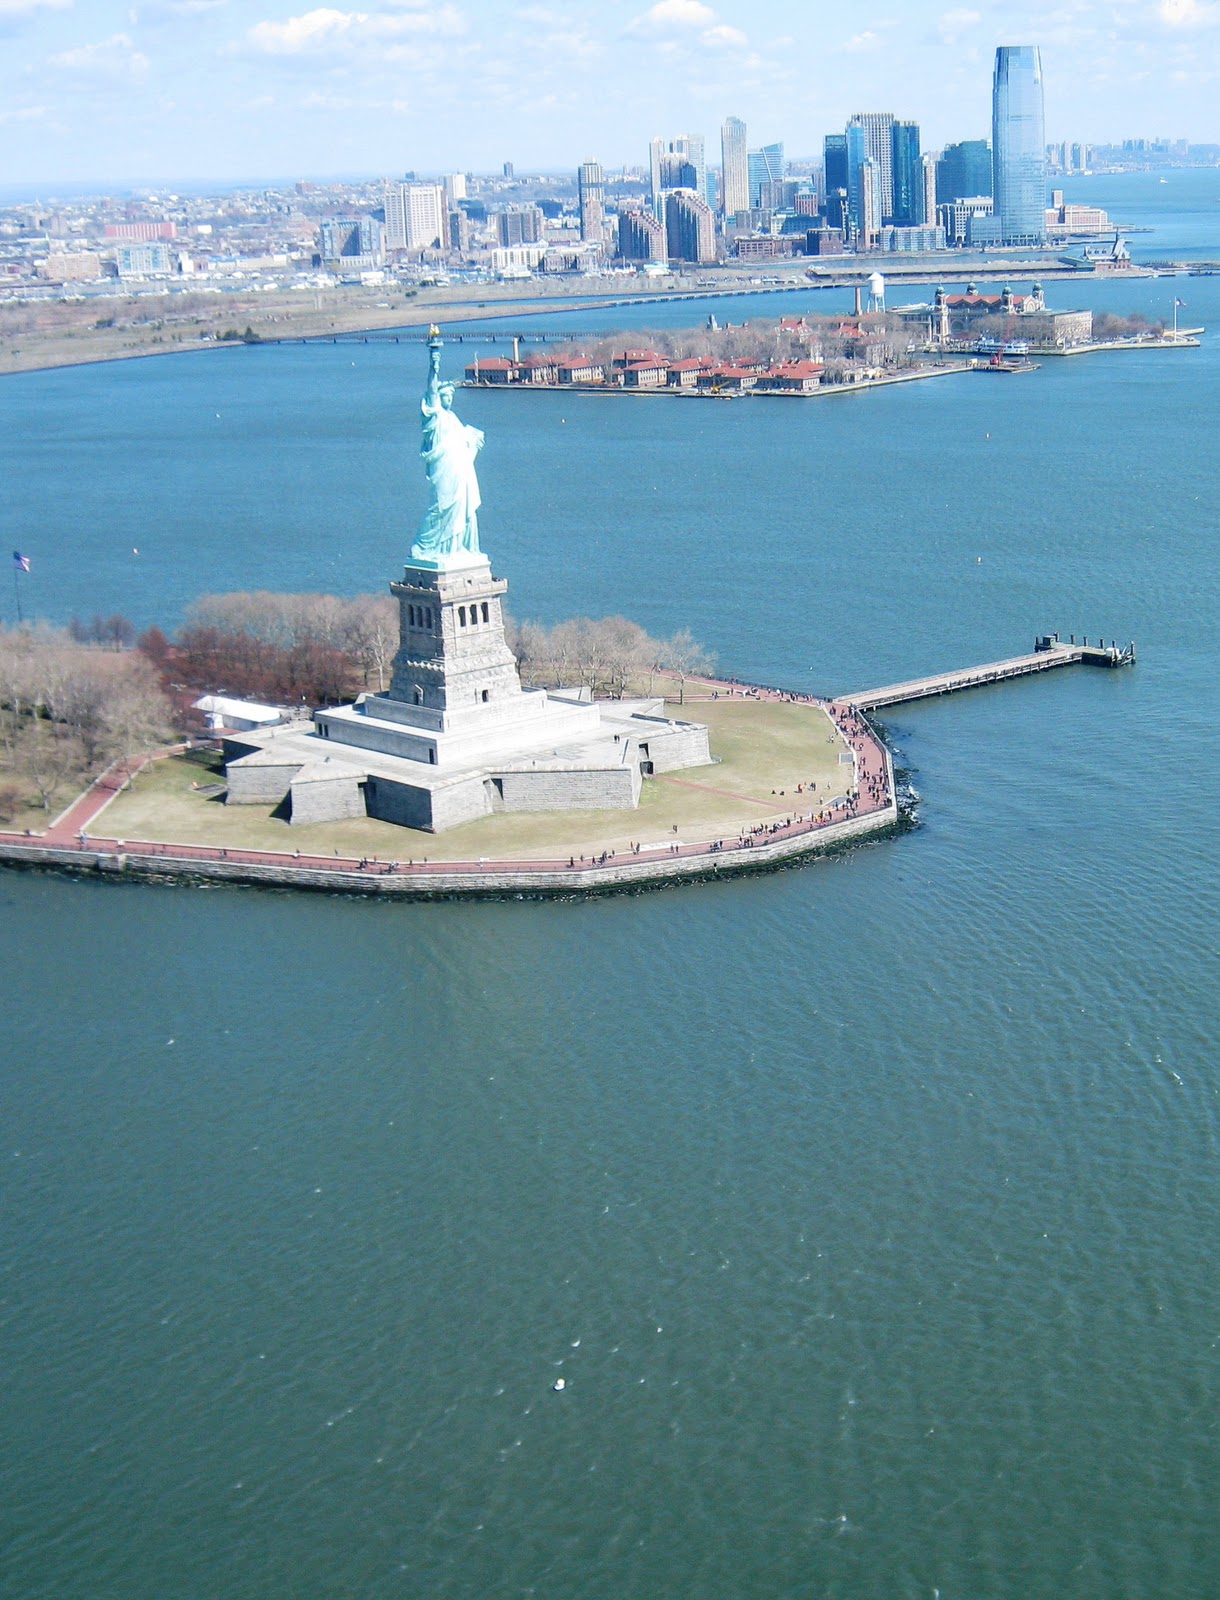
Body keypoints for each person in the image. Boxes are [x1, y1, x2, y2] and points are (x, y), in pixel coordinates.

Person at [412, 331, 484, 562]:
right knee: (440, 507)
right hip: (444, 470)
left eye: (452, 396)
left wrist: (474, 442)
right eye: (446, 395)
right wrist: (435, 360)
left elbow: (465, 447)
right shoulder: (435, 416)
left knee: (463, 509)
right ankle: (424, 547)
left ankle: (457, 549)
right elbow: (431, 388)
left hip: (460, 471)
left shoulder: (453, 419)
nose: (449, 399)